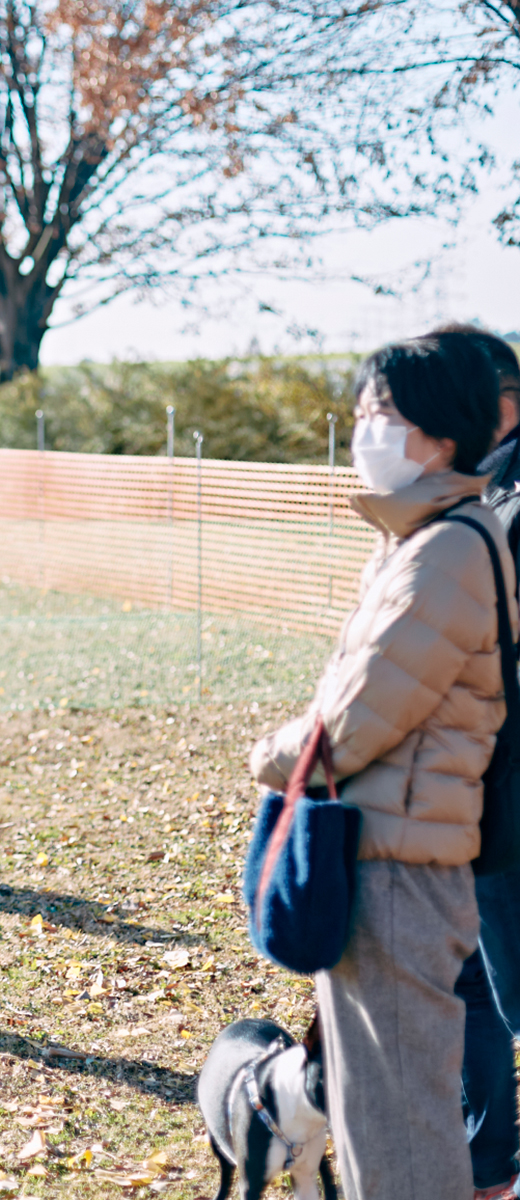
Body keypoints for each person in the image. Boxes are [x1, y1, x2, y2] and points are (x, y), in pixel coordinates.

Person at [249, 333, 509, 1200]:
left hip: (402, 869)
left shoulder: (447, 552)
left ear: (440, 434)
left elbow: (356, 722)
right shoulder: (419, 540)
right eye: (365, 412)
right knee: (372, 1111)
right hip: (382, 854)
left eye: (384, 414)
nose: (368, 430)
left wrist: (271, 755)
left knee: (400, 1125)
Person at [437, 322, 520, 1199]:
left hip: (503, 785)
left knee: (501, 982)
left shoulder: (508, 502)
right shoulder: (486, 493)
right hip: (480, 787)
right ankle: (486, 1165)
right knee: (476, 979)